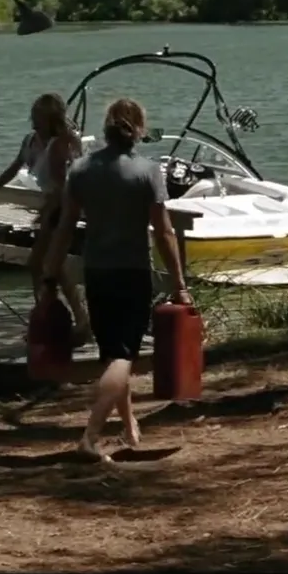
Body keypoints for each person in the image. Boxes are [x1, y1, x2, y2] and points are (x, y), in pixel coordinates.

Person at [42, 97, 193, 458]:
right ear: (139, 129)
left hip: (96, 273)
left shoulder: (81, 169)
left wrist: (49, 274)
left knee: (112, 354)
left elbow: (64, 228)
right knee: (124, 357)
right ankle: (91, 436)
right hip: (132, 272)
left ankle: (129, 429)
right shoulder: (147, 171)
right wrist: (179, 285)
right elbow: (164, 232)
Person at [0, 92, 90, 344]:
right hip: (52, 207)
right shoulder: (31, 141)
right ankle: (67, 318)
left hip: (62, 208)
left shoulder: (59, 145)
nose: (34, 121)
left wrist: (47, 214)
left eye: (39, 116)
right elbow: (15, 166)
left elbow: (62, 187)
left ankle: (50, 317)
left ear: (50, 119)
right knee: (53, 267)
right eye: (33, 115)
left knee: (39, 264)